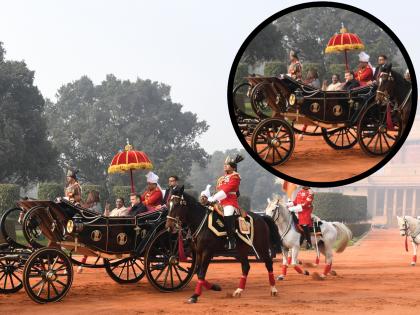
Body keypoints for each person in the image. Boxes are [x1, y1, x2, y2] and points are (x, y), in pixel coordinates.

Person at [208, 154, 244, 250]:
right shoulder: (221, 178)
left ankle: (231, 240)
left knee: (228, 216)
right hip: (220, 201)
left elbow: (226, 190)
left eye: (227, 165)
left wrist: (213, 198)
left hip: (230, 202)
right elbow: (218, 190)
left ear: (233, 167)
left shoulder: (235, 177)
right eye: (224, 165)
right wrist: (211, 198)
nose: (225, 166)